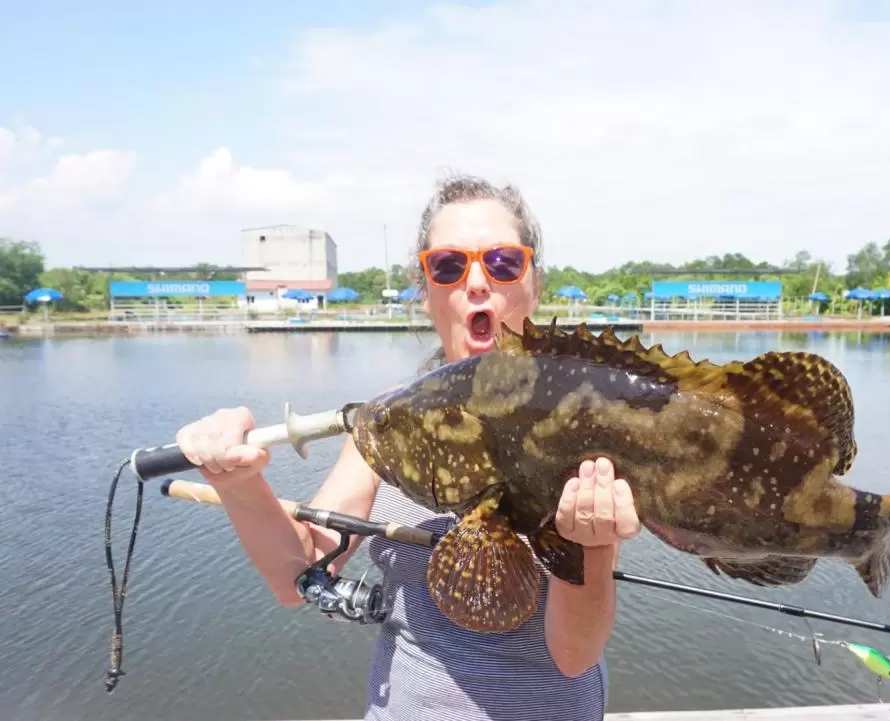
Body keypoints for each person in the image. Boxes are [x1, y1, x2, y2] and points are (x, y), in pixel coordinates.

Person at [175, 173, 642, 721]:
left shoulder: (587, 424)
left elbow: (574, 655)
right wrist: (238, 484)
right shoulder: (387, 422)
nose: (475, 282)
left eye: (502, 262)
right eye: (447, 266)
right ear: (426, 294)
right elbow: (295, 574)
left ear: (533, 284)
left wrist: (593, 545)